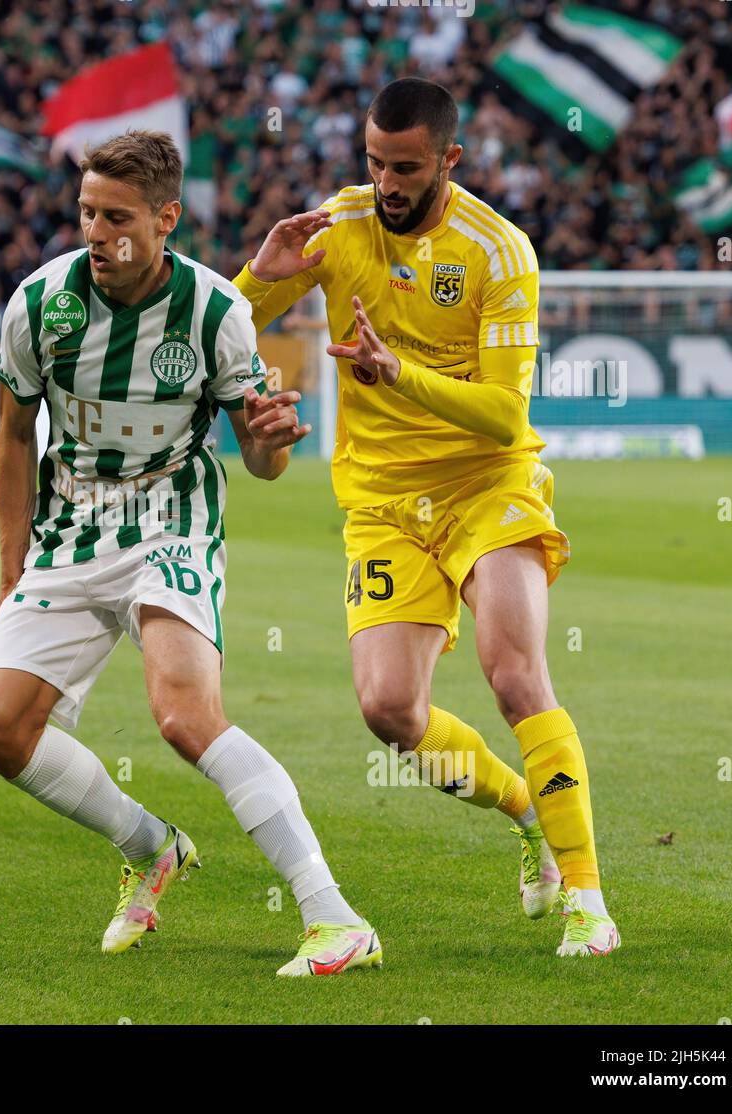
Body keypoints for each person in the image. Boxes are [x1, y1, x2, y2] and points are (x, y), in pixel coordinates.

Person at [0, 131, 382, 977]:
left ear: (165, 220)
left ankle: (334, 917)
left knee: (185, 716)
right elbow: (12, 435)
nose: (96, 233)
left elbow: (261, 462)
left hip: (170, 520)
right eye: (86, 213)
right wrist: (11, 573)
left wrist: (270, 443)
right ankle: (150, 847)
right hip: (70, 529)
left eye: (117, 218)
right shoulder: (41, 302)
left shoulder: (216, 310)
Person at [234, 78, 618, 957]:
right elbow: (220, 328)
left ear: (449, 159)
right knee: (390, 711)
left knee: (513, 671)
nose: (386, 183)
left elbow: (507, 417)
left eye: (404, 167)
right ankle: (526, 814)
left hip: (487, 486)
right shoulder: (340, 226)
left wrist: (398, 373)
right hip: (380, 501)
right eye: (373, 162)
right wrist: (260, 276)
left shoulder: (499, 251)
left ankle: (589, 901)